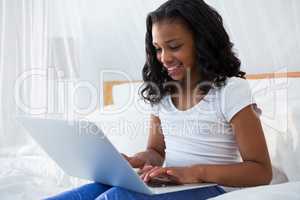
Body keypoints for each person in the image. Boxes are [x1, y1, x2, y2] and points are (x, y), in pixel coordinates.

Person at [46, 0, 272, 199]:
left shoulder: (231, 90)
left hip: (214, 187)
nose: (164, 58)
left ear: (203, 42)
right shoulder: (161, 92)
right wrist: (135, 160)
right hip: (169, 185)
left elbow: (261, 171)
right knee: (81, 195)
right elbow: (156, 151)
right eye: (157, 49)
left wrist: (193, 172)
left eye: (174, 47)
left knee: (116, 198)